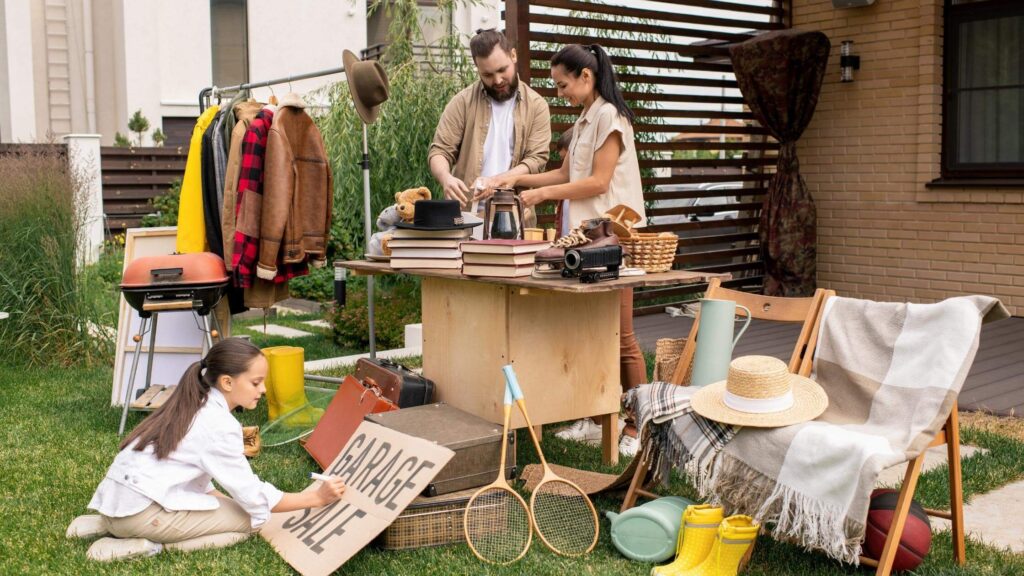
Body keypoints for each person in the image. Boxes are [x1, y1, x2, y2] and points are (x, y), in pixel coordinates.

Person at [488, 44, 647, 457]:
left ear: (586, 77)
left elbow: (597, 182)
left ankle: (639, 427)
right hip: (586, 239)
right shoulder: (583, 120)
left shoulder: (610, 118)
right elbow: (565, 172)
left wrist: (542, 194)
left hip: (614, 236)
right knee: (586, 333)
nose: (560, 93)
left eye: (563, 85)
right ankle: (596, 419)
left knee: (623, 337)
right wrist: (514, 179)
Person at [66, 338, 346, 561]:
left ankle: (103, 525)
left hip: (115, 505)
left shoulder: (191, 402)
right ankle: (147, 547)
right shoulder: (219, 424)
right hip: (139, 517)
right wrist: (316, 499)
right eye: (256, 382)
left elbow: (200, 475)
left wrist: (224, 502)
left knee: (233, 508)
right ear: (227, 382)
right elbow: (255, 498)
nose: (262, 390)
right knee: (251, 523)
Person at [428, 28, 551, 214]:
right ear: (477, 69)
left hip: (516, 215)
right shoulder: (462, 102)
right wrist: (446, 178)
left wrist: (497, 180)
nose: (498, 80)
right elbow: (440, 151)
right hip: (466, 216)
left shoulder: (537, 105)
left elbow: (537, 159)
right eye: (487, 75)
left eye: (502, 70)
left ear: (513, 55)